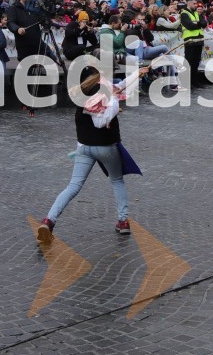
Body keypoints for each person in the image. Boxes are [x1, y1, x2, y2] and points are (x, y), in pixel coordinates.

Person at [36, 66, 149, 242]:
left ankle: (49, 220)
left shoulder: (84, 95)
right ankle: (123, 221)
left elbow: (119, 86)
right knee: (117, 180)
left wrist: (138, 74)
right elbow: (101, 121)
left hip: (83, 148)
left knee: (73, 186)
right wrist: (114, 105)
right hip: (106, 147)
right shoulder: (105, 95)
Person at [179, 0, 207, 85]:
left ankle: (194, 81)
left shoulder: (196, 13)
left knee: (196, 61)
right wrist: (198, 24)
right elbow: (189, 26)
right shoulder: (184, 14)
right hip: (190, 39)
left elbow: (204, 24)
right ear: (189, 3)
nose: (196, 5)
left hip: (199, 39)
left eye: (196, 4)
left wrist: (196, 23)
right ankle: (185, 82)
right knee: (189, 61)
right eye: (194, 4)